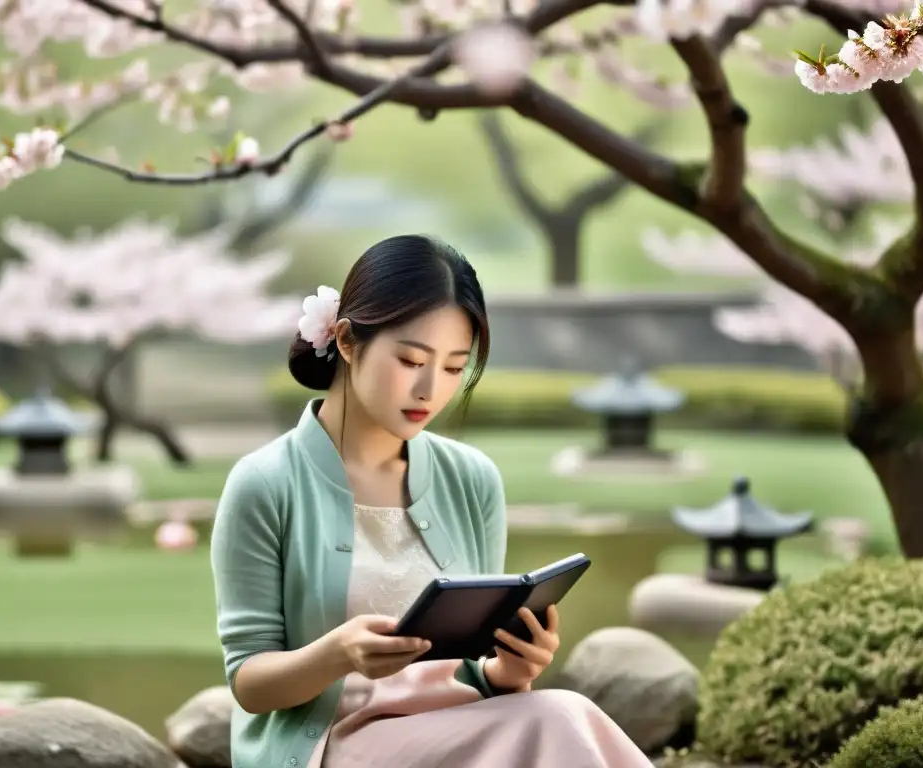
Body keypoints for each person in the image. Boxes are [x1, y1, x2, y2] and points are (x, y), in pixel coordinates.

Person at [209, 234, 654, 768]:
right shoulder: (265, 484)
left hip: (456, 734)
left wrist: (508, 673)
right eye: (410, 359)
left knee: (560, 713)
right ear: (347, 342)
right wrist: (337, 654)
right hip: (333, 746)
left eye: (452, 367)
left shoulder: (472, 480)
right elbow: (250, 684)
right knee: (555, 721)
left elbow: (468, 667)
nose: (430, 390)